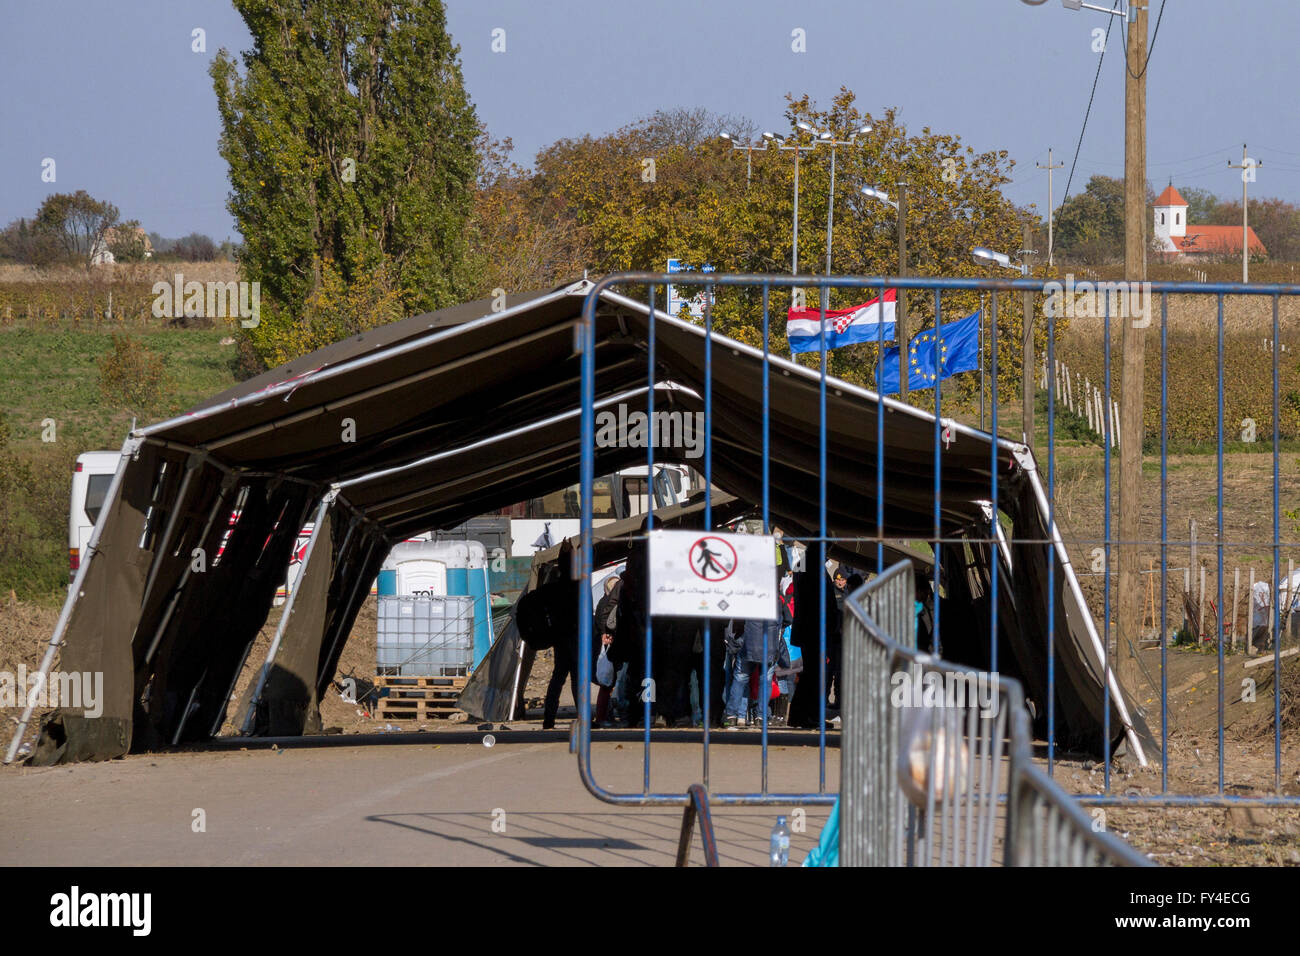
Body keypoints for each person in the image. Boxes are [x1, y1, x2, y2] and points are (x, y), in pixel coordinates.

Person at [592, 575, 621, 725]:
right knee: (608, 684)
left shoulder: (601, 602)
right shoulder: (607, 604)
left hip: (607, 647)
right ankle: (603, 716)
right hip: (610, 647)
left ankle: (603, 716)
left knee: (607, 684)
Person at [1251, 579, 1273, 652]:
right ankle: (1259, 646)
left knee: (1264, 628)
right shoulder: (1260, 589)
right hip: (1260, 622)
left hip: (1263, 621)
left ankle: (1260, 646)